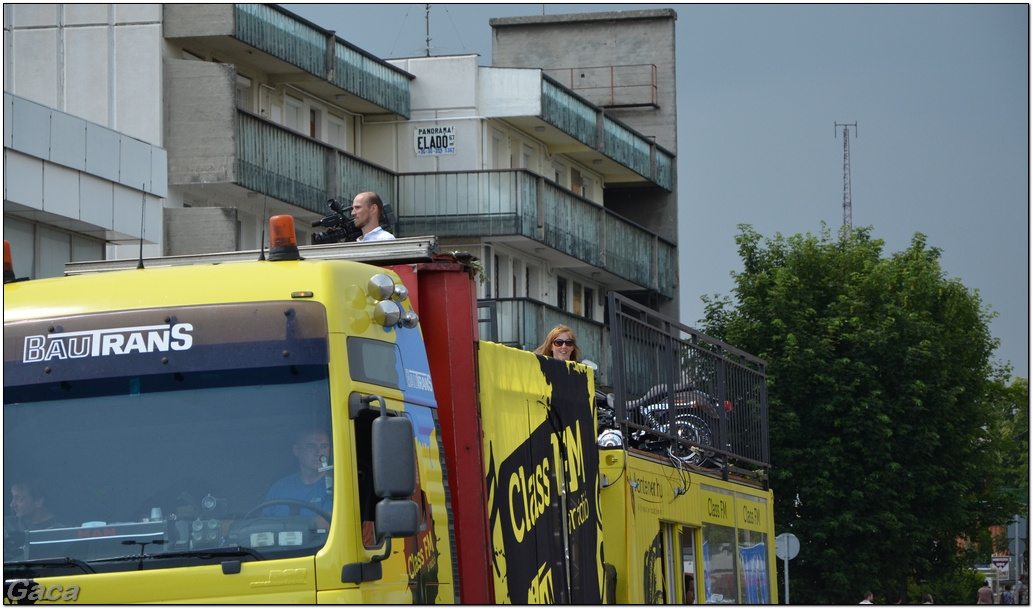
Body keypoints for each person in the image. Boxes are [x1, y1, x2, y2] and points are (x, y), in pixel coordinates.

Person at [265, 428, 333, 528]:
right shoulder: (279, 487)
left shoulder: (338, 483)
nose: (318, 452)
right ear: (296, 450)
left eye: (323, 447)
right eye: (311, 446)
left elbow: (327, 522)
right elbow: (263, 524)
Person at [4, 480, 64, 559]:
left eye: (19, 499)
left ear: (38, 502)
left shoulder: (63, 531)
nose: (12, 505)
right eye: (13, 497)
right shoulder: (5, 525)